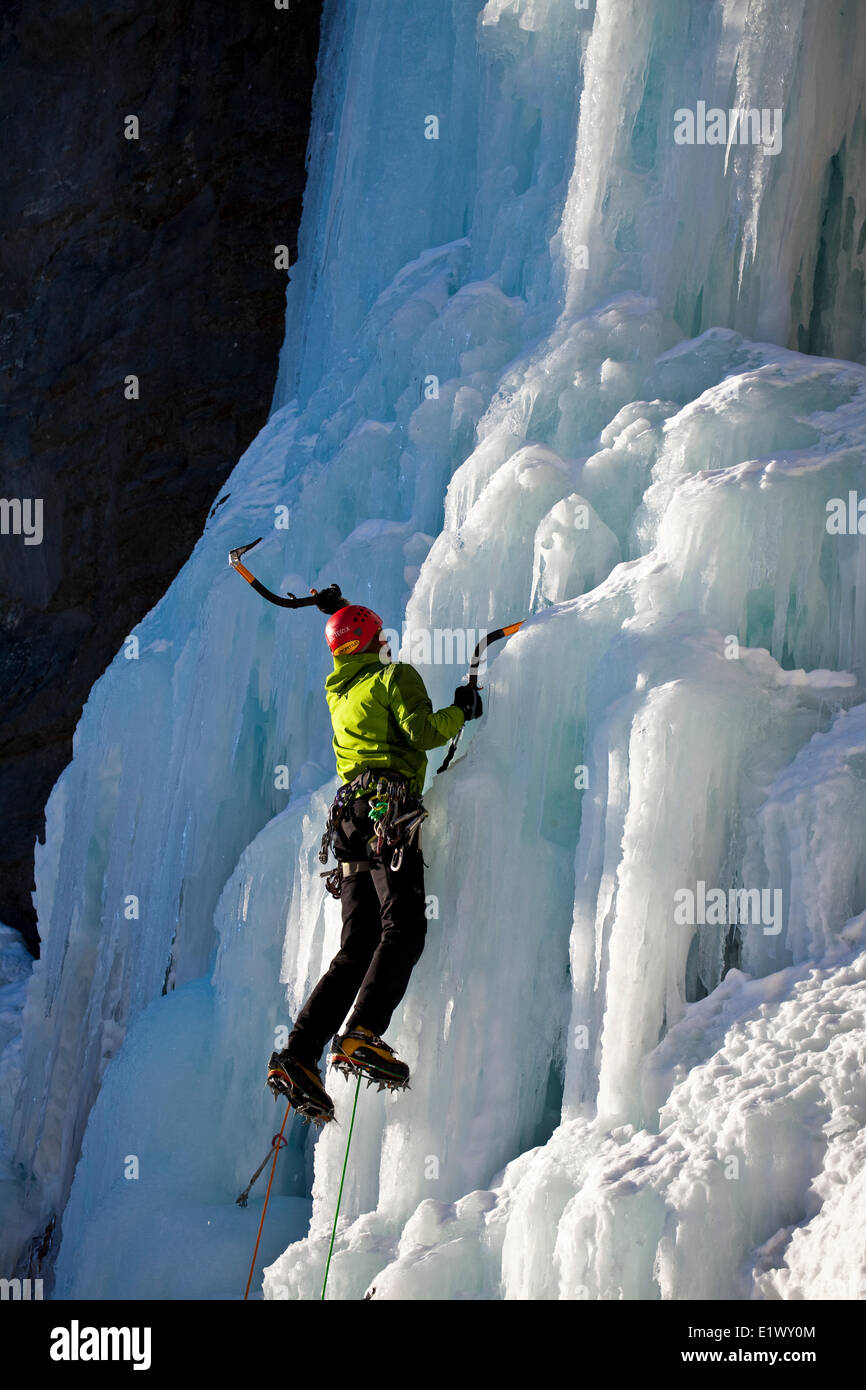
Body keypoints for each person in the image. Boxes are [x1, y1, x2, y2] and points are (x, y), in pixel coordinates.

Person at [267, 603, 483, 1122]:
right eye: (381, 637)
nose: (388, 643)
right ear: (370, 642)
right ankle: (362, 1032)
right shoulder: (393, 678)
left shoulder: (340, 695)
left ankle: (300, 1054)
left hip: (348, 825)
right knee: (403, 928)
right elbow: (424, 732)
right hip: (388, 813)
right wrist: (462, 710)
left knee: (356, 946)